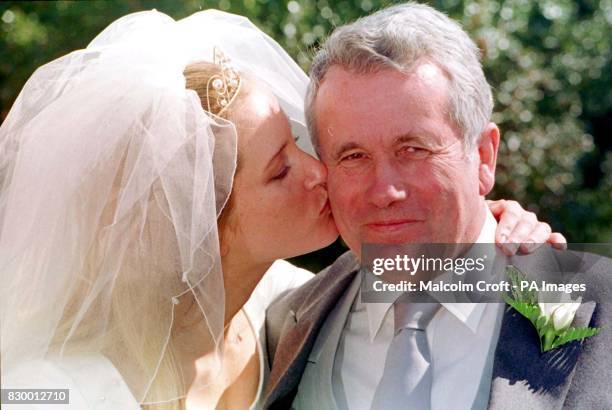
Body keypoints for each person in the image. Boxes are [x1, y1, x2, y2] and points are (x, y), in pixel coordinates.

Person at [0, 8, 565, 410]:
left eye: (299, 144)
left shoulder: (275, 307)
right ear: (204, 225)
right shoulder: (51, 389)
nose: (320, 171)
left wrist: (487, 227)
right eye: (280, 168)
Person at [264, 3, 611, 410]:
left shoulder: (596, 303)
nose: (385, 191)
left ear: (484, 156)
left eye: (413, 149)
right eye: (353, 156)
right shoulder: (284, 321)